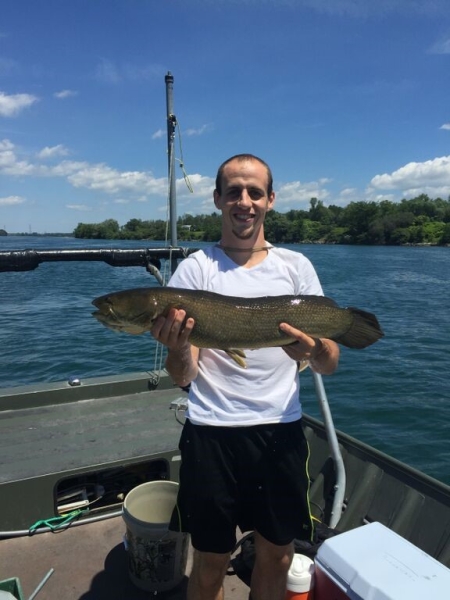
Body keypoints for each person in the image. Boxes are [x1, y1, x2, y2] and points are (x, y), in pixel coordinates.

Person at [151, 154, 340, 600]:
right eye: (233, 191)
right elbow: (183, 375)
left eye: (255, 191)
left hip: (280, 434)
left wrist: (313, 349)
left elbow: (329, 362)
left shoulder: (296, 268)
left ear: (270, 200)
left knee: (278, 556)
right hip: (211, 437)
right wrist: (177, 346)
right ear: (217, 199)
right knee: (210, 561)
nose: (244, 201)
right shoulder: (196, 270)